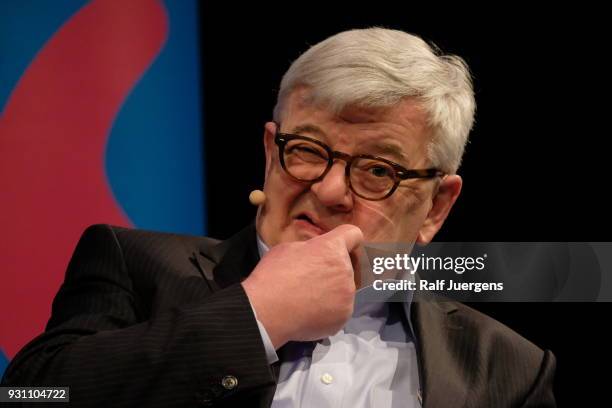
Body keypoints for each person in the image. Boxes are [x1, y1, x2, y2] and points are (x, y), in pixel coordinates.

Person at [2, 28, 556, 407]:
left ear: (437, 205)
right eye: (309, 150)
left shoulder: (505, 367)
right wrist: (255, 317)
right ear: (271, 151)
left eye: (376, 170)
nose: (331, 190)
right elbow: (30, 393)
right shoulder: (138, 265)